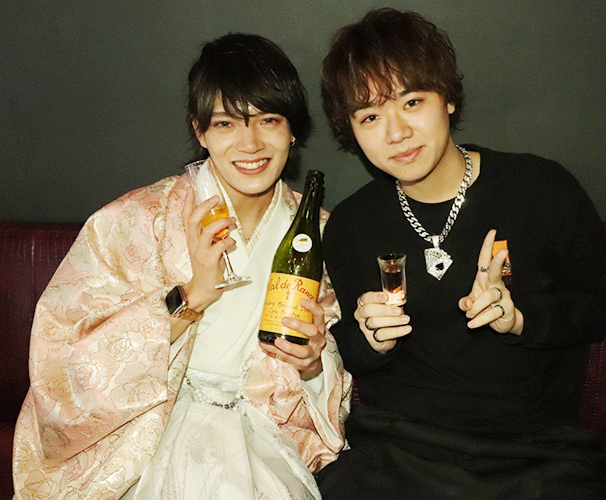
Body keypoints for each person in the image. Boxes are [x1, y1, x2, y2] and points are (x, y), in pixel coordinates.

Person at [12, 33, 351, 500]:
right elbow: (61, 364)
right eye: (226, 124)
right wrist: (192, 296)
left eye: (268, 120)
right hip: (146, 436)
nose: (250, 143)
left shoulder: (324, 234)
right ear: (200, 132)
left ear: (292, 129)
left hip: (262, 433)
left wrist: (312, 366)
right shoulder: (136, 220)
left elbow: (336, 371)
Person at [316, 8, 606, 499]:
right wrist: (370, 339)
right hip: (400, 447)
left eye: (412, 102)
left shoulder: (541, 189)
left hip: (535, 449)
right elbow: (351, 350)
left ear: (448, 99)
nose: (395, 133)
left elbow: (600, 307)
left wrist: (521, 318)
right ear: (350, 130)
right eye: (370, 116)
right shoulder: (352, 224)